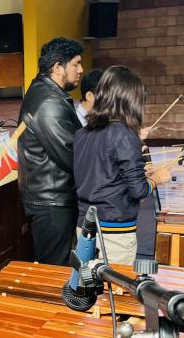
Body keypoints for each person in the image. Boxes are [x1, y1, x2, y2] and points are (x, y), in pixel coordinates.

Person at [73, 66, 173, 265]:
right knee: (113, 283)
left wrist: (137, 172)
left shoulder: (82, 134)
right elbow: (139, 191)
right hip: (113, 233)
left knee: (89, 281)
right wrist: (156, 179)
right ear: (131, 101)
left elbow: (101, 175)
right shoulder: (124, 134)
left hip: (85, 227)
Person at [17, 37, 84, 266]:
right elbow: (71, 154)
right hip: (52, 200)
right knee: (56, 270)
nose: (80, 70)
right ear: (57, 68)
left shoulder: (47, 92)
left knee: (61, 266)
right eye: (75, 64)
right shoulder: (49, 103)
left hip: (52, 196)